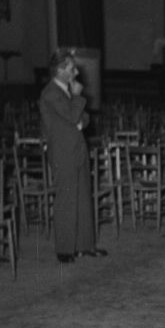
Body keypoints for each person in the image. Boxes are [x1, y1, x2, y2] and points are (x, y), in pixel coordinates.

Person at [38, 48, 106, 263]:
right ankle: (65, 249)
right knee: (66, 199)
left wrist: (76, 112)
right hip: (62, 152)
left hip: (77, 148)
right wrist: (76, 98)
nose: (76, 72)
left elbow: (84, 119)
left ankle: (85, 245)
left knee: (83, 198)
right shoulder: (50, 93)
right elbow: (71, 115)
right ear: (60, 70)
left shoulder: (66, 93)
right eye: (71, 68)